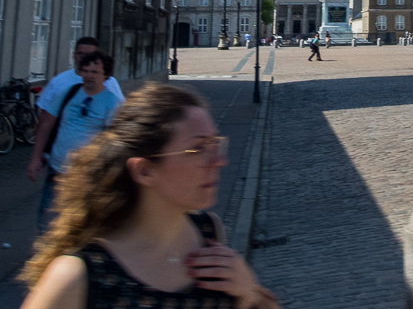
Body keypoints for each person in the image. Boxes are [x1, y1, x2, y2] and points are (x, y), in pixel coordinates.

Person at [19, 84, 279, 309]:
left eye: (215, 143)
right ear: (144, 171)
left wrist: (248, 291)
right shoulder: (80, 275)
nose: (219, 160)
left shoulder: (208, 232)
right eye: (198, 148)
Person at [28, 51, 121, 233]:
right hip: (58, 170)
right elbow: (46, 125)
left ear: (106, 75)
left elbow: (114, 140)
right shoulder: (68, 93)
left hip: (87, 176)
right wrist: (35, 157)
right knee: (47, 223)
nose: (88, 76)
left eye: (94, 72)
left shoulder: (113, 103)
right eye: (85, 71)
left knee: (79, 225)